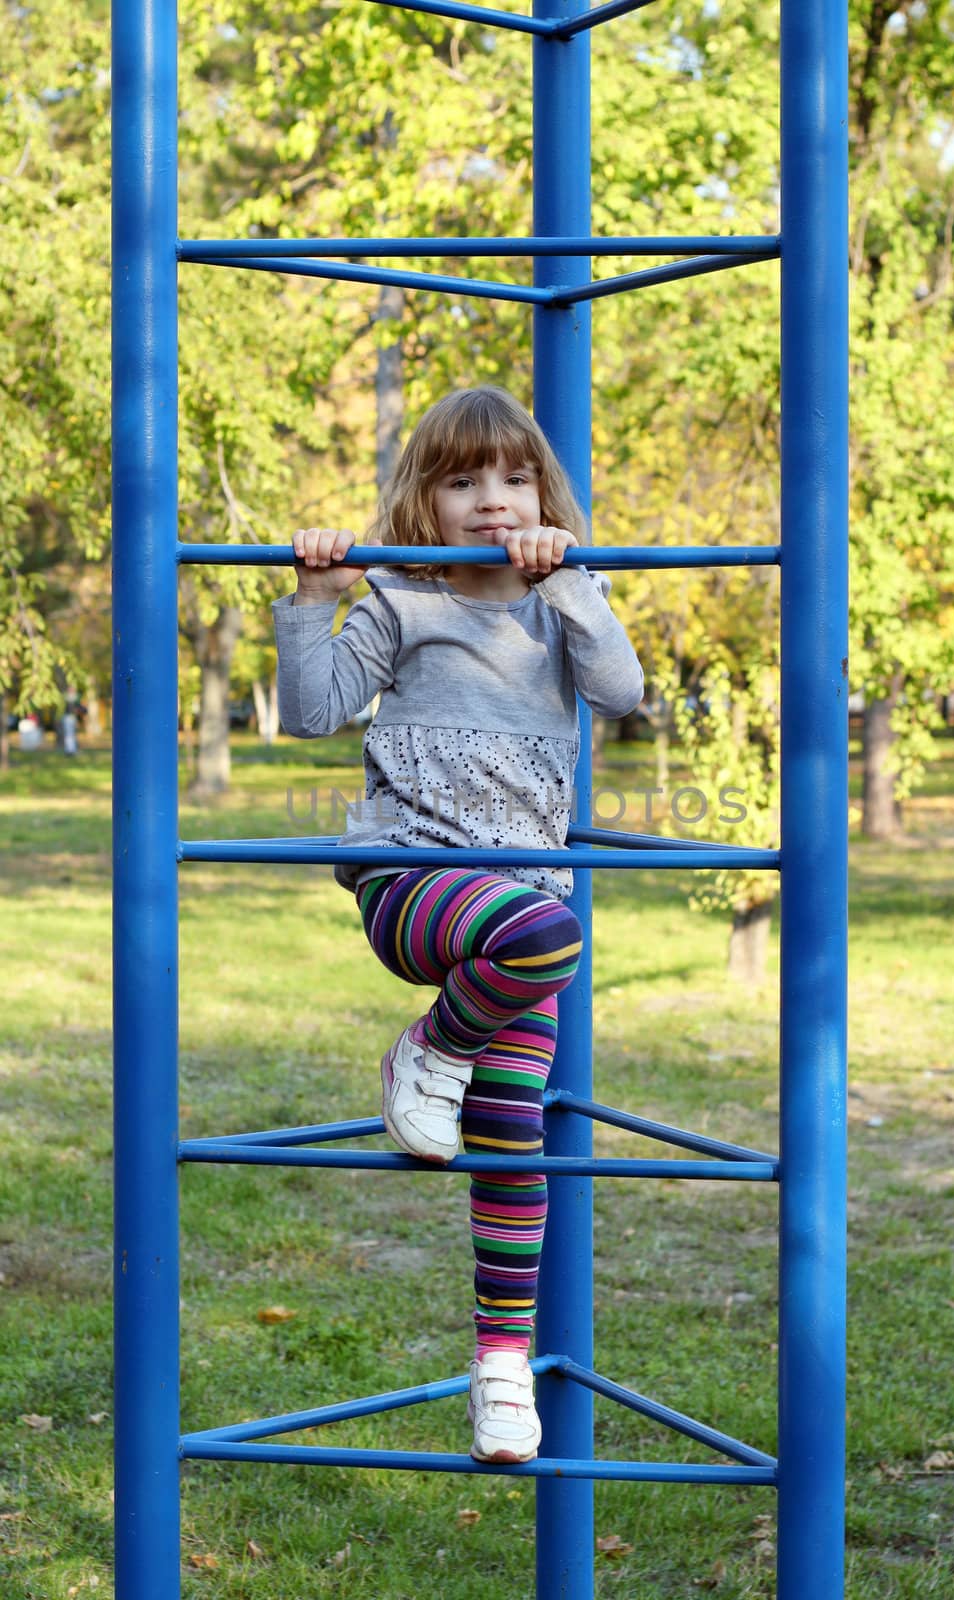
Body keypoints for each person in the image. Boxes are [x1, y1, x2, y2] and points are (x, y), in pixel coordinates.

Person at [272, 386, 644, 1464]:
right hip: (413, 884)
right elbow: (311, 711)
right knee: (540, 936)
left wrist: (568, 577)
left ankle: (498, 1368)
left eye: (513, 477)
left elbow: (617, 692)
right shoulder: (402, 597)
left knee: (512, 1135)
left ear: (543, 492)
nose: (491, 501)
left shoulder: (561, 598)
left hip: (526, 902)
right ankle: (430, 1046)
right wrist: (315, 595)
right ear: (422, 503)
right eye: (461, 480)